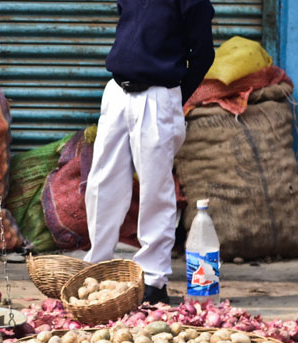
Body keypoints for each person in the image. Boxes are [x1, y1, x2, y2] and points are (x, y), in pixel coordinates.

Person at [84, 0, 214, 304]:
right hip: (117, 93)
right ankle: (97, 266)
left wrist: (174, 95)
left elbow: (203, 54)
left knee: (156, 190)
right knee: (102, 183)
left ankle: (153, 280)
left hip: (158, 97)